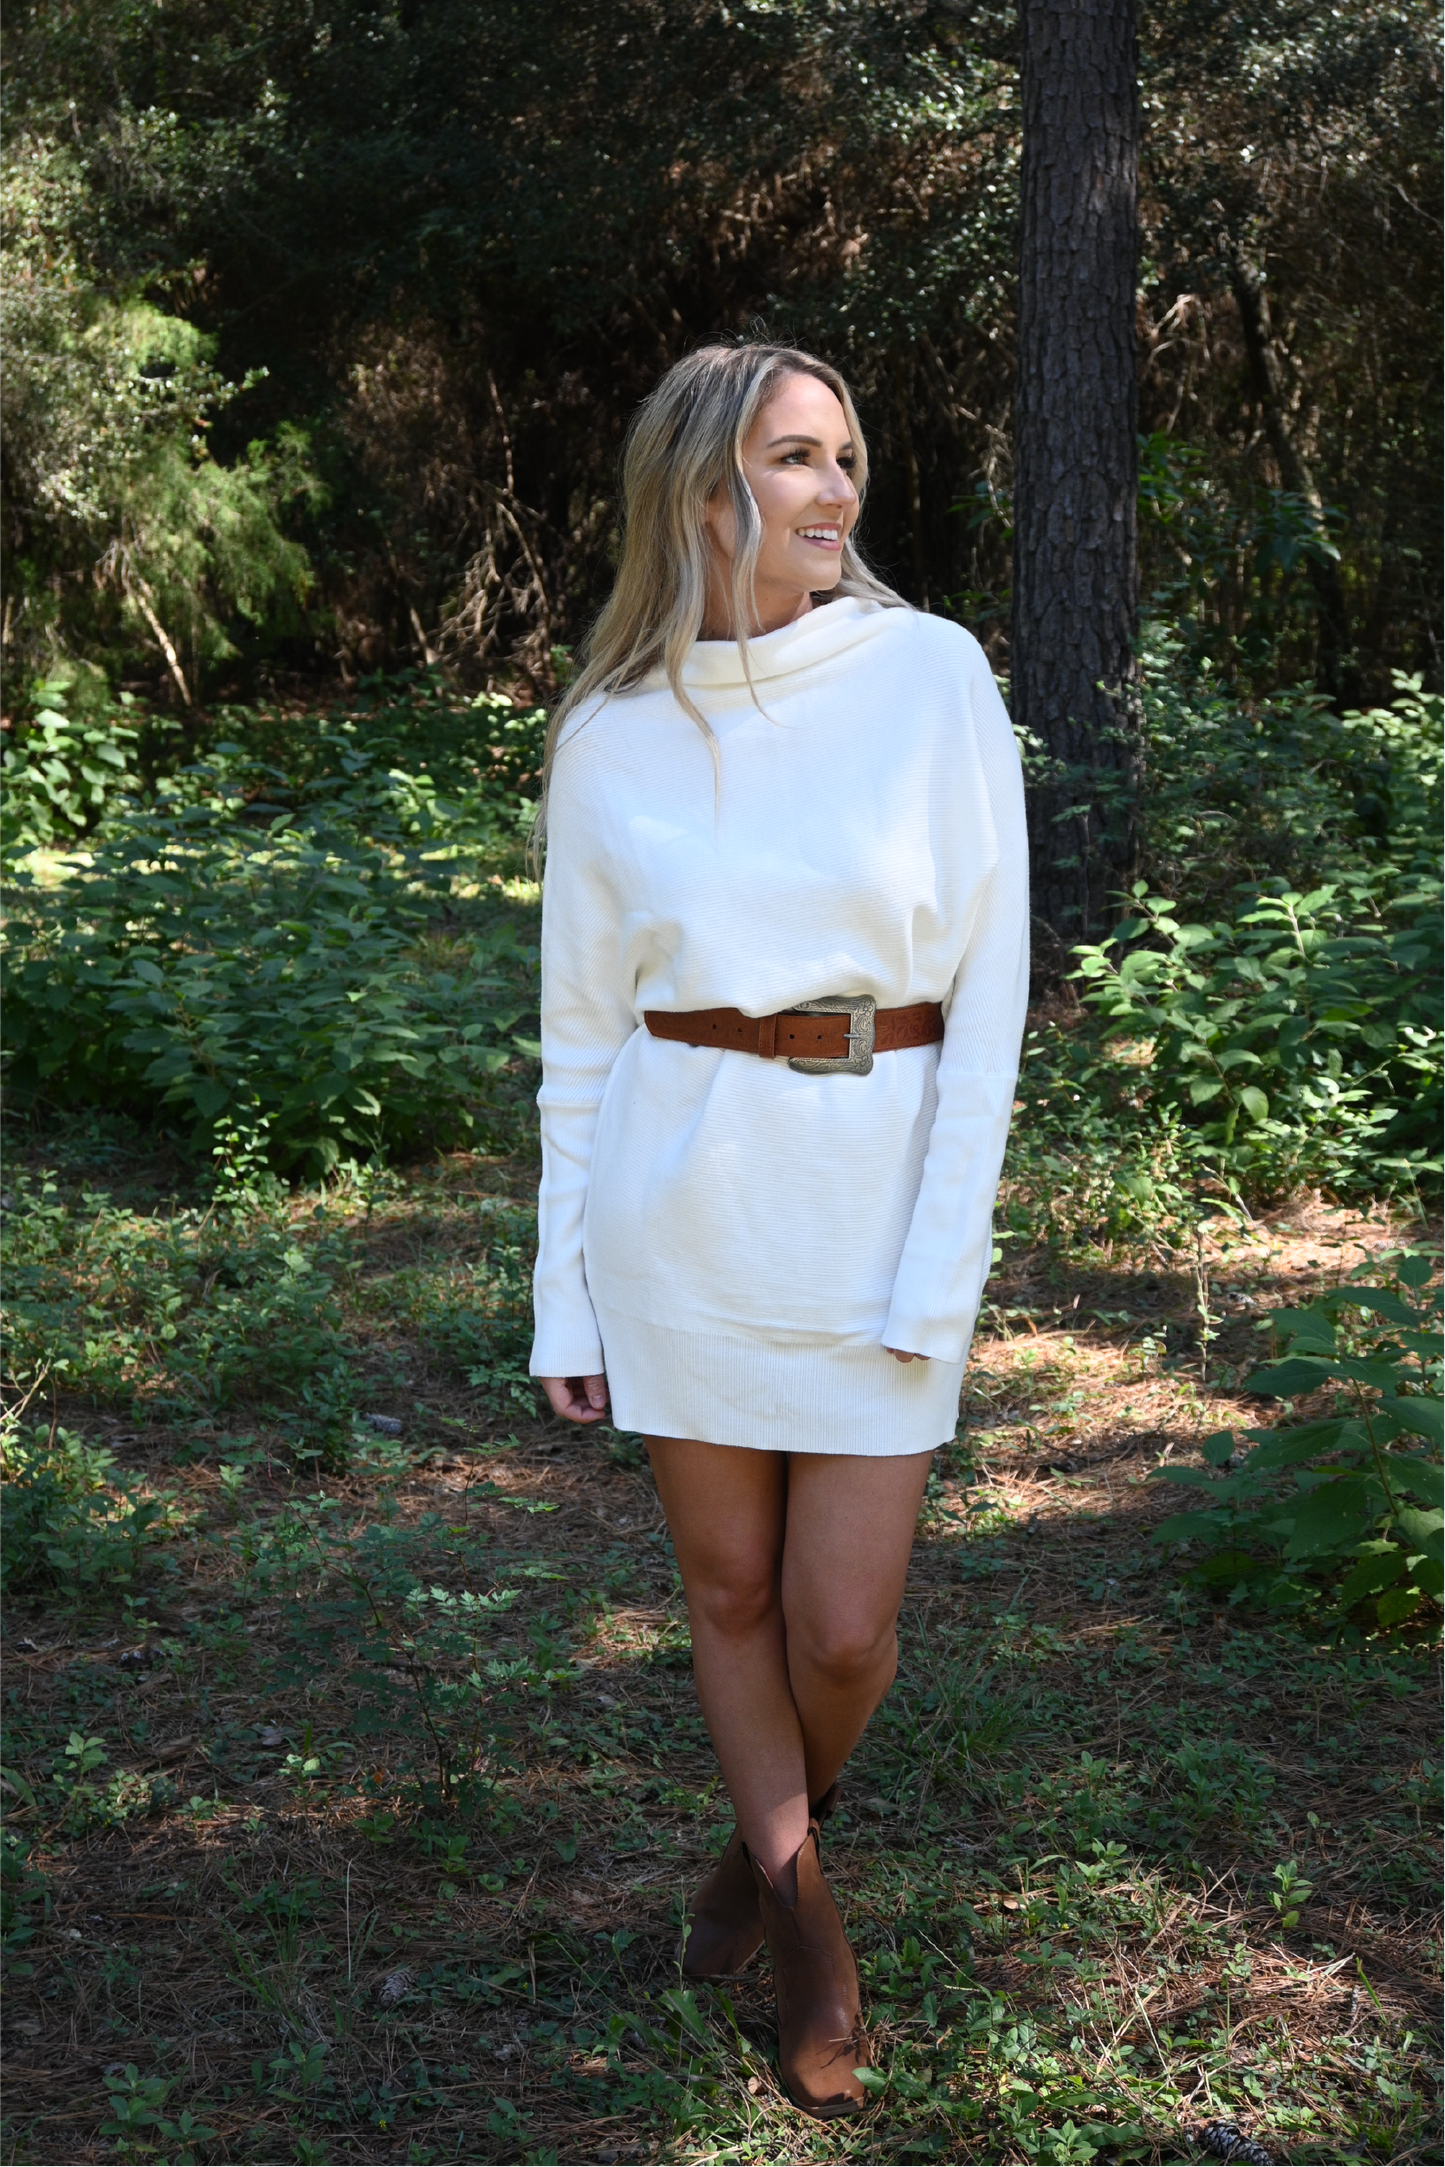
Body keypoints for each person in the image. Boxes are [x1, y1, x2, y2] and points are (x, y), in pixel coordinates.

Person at [529, 341, 1028, 2118]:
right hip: (683, 1207)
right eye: (795, 461)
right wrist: (559, 1298)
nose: (837, 493)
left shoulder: (929, 674)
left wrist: (944, 1255)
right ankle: (809, 1915)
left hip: (877, 1191)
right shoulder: (611, 732)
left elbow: (993, 995)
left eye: (844, 458)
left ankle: (753, 1849)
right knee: (726, 1587)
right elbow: (580, 1035)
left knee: (838, 1625)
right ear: (699, 492)